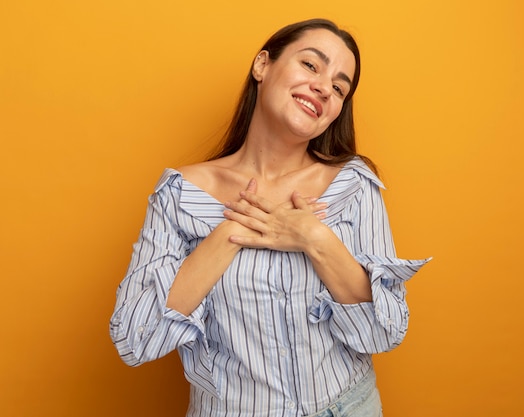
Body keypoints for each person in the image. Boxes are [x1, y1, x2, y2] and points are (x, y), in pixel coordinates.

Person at [110, 18, 430, 417]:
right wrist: (232, 230)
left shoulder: (352, 186)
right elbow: (134, 340)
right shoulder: (180, 195)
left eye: (338, 87)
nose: (322, 87)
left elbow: (384, 332)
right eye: (311, 65)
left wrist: (315, 237)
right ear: (262, 65)